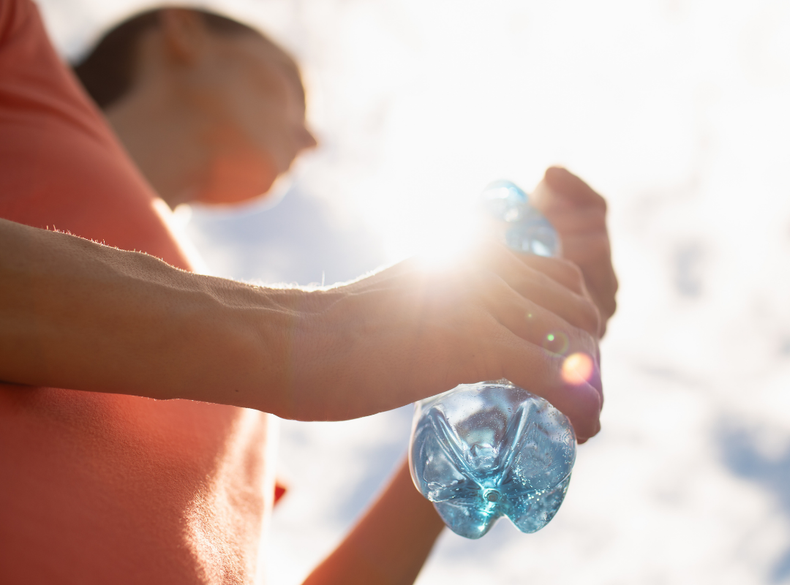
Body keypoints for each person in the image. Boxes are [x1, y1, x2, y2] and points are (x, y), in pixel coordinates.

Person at [0, 3, 617, 584]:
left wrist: (486, 415)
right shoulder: (17, 47)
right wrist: (316, 334)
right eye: (291, 86)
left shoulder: (245, 420)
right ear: (181, 32)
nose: (311, 140)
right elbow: (313, 344)